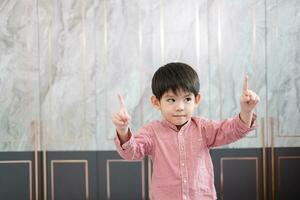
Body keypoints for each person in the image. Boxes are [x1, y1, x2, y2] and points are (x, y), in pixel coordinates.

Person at [112, 62, 259, 200]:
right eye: (171, 100)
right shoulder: (152, 132)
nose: (180, 107)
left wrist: (246, 111)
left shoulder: (203, 127)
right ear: (156, 102)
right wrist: (123, 130)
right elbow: (131, 152)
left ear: (196, 100)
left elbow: (232, 130)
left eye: (187, 99)